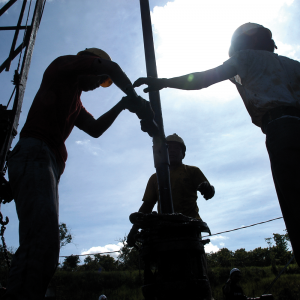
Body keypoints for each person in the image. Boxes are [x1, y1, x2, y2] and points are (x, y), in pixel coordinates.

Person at [133, 23, 300, 266]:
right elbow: (148, 203)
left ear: (247, 43)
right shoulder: (292, 65)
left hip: (281, 129)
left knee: (295, 208)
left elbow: (204, 79)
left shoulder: (246, 58)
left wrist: (164, 82)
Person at [4, 48, 153, 300]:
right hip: (35, 152)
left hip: (45, 162)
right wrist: (135, 98)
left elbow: (94, 129)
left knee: (45, 245)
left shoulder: (75, 101)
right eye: (98, 78)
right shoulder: (62, 66)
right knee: (42, 243)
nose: (98, 85)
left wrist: (124, 104)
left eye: (102, 82)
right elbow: (114, 68)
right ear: (88, 62)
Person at [127, 133, 215, 291]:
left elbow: (208, 190)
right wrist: (133, 230)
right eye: (169, 148)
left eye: (177, 148)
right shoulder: (155, 178)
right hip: (165, 233)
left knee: (195, 277)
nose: (173, 151)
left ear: (183, 153)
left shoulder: (192, 171)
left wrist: (207, 189)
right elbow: (147, 207)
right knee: (167, 278)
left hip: (189, 231)